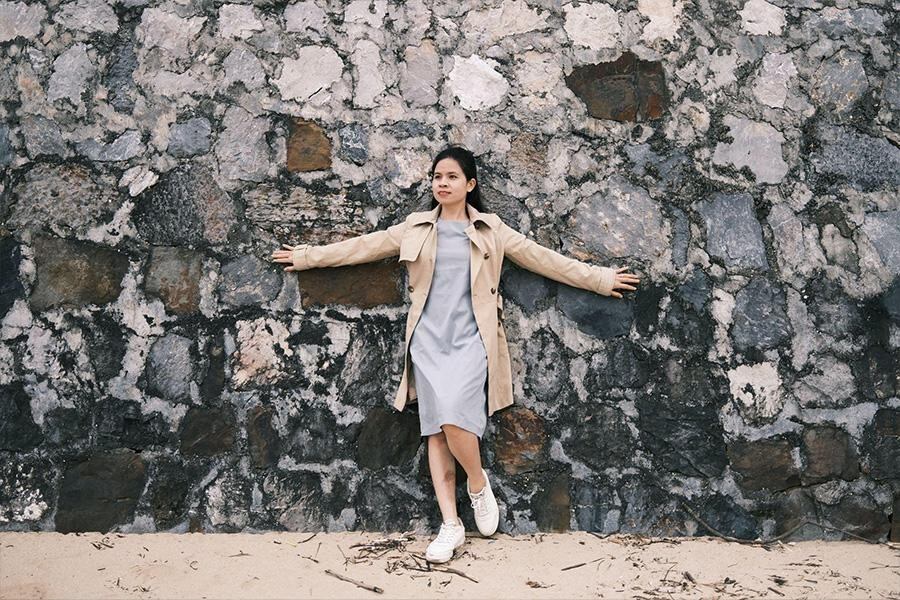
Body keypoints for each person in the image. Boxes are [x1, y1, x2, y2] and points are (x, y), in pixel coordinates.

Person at [270, 145, 640, 563]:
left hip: (471, 340)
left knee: (451, 418)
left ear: (470, 184)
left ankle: (477, 484)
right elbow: (360, 247)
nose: (442, 184)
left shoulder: (491, 230)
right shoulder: (415, 228)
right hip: (427, 341)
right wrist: (306, 257)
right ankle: (450, 525)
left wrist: (599, 279)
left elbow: (544, 259)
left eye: (451, 177)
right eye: (437, 177)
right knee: (436, 431)